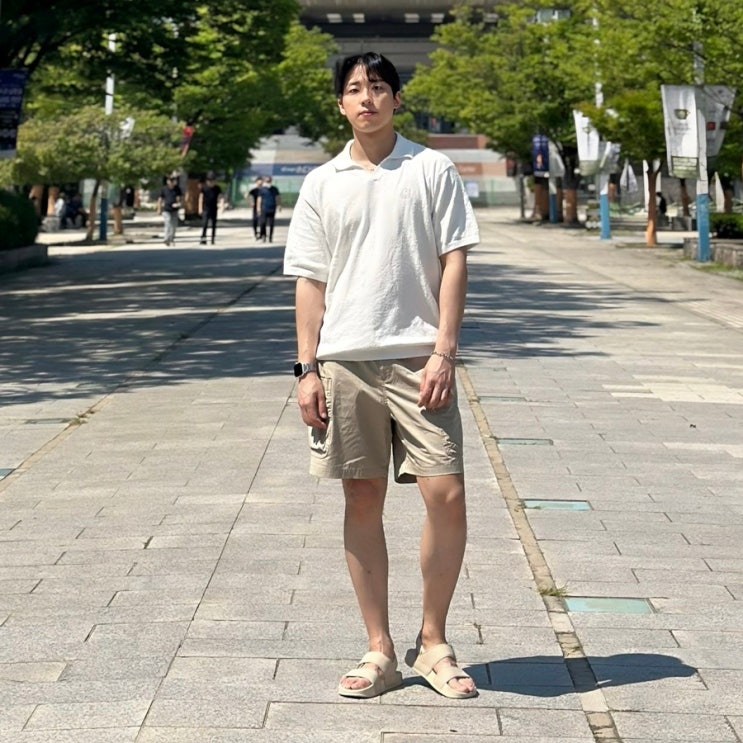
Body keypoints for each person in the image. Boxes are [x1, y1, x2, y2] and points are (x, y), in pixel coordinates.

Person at [284, 52, 480, 700]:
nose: (365, 98)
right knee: (361, 498)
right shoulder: (322, 182)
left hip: (420, 359)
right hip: (344, 360)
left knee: (445, 492)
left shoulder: (431, 168)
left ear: (397, 98)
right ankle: (379, 649)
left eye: (376, 87)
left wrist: (444, 350)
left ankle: (434, 641)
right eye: (353, 89)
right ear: (340, 104)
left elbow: (454, 260)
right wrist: (307, 368)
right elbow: (309, 281)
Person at [157, 174, 182, 246]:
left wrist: (178, 204)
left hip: (174, 209)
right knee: (168, 223)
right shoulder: (164, 189)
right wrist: (159, 208)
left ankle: (171, 238)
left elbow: (179, 198)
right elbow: (160, 199)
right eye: (169, 180)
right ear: (167, 181)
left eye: (172, 180)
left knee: (174, 225)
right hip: (166, 209)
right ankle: (166, 238)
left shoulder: (177, 189)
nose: (171, 182)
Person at [198, 171, 223, 245]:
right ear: (207, 181)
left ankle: (212, 238)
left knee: (214, 224)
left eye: (212, 180)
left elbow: (220, 197)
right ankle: (203, 238)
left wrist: (221, 205)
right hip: (206, 208)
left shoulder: (217, 188)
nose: (211, 182)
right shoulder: (204, 188)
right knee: (205, 224)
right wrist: (200, 208)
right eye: (209, 180)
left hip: (214, 208)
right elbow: (201, 198)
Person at [257, 175, 280, 242]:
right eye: (267, 181)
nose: (268, 182)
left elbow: (277, 197)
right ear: (264, 181)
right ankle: (264, 236)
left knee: (271, 224)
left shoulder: (274, 189)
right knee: (263, 223)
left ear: (271, 181)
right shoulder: (261, 189)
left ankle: (270, 237)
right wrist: (258, 208)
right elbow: (259, 199)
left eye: (269, 181)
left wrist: (279, 205)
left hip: (272, 208)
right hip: (264, 208)